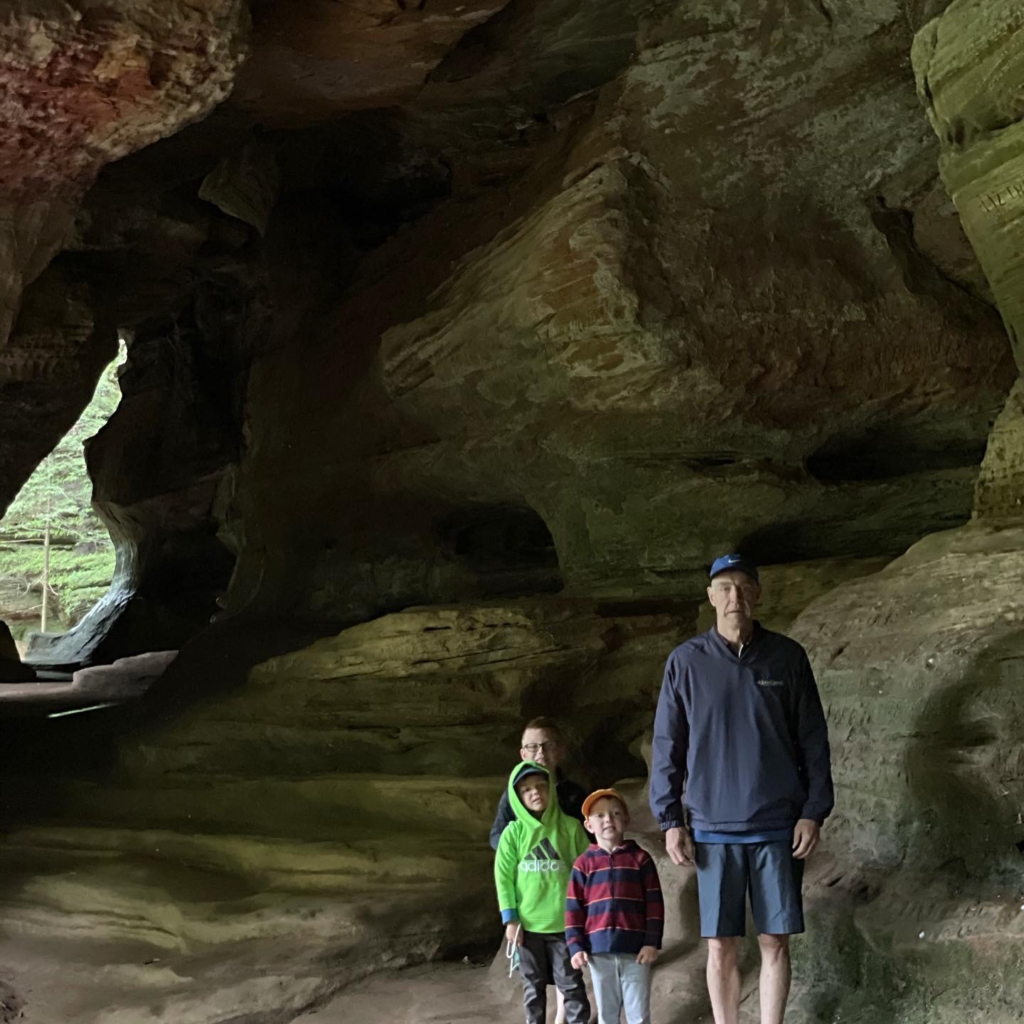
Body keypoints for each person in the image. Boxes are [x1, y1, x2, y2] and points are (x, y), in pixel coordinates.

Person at [649, 553, 834, 1024]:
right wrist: (670, 820)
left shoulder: (787, 657)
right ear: (710, 597)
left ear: (757, 593)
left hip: (777, 823)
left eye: (742, 586)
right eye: (724, 587)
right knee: (720, 942)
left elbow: (813, 738)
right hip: (712, 826)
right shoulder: (686, 662)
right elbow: (668, 744)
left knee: (774, 939)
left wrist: (814, 809)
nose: (734, 597)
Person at [495, 761, 591, 1024]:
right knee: (533, 988)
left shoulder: (571, 828)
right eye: (526, 790)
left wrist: (586, 915)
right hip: (528, 927)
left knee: (571, 985)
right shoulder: (512, 834)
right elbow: (503, 879)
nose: (535, 793)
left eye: (541, 786)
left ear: (551, 788)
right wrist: (511, 919)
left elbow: (585, 872)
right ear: (517, 797)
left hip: (565, 926)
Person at [565, 788, 663, 1024]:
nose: (608, 819)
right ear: (589, 825)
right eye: (600, 816)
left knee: (638, 1015)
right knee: (607, 1015)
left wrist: (651, 943)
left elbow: (654, 904)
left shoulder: (641, 859)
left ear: (626, 820)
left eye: (616, 813)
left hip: (636, 952)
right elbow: (573, 909)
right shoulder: (583, 864)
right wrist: (575, 946)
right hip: (598, 953)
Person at [490, 717, 587, 850]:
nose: (541, 752)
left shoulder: (575, 793)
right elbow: (497, 835)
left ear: (561, 750)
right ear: (523, 754)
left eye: (549, 745)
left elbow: (588, 835)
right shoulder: (513, 794)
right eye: (532, 747)